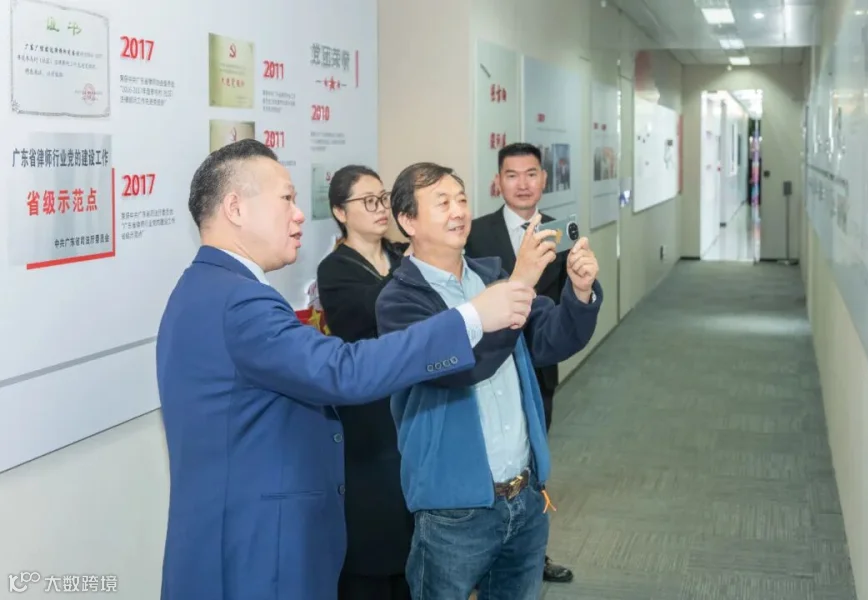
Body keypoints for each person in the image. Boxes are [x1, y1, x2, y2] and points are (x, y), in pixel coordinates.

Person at [155, 140, 538, 600]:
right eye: (286, 199)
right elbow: (343, 371)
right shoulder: (239, 301)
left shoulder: (202, 286)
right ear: (235, 208)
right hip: (256, 548)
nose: (299, 214)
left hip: (237, 535)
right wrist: (470, 318)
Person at [374, 162, 603, 599]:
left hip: (525, 495)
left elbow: (550, 340)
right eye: (442, 202)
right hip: (453, 510)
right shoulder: (399, 301)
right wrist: (521, 282)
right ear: (408, 221)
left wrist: (579, 293)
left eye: (461, 199)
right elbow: (464, 368)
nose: (459, 211)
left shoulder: (491, 276)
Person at [465, 142, 574, 583]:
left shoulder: (561, 233)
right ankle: (481, 557)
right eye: (512, 175)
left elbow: (563, 307)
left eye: (531, 174)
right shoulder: (474, 232)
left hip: (538, 368)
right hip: (485, 367)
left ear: (544, 179)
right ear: (498, 182)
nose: (523, 184)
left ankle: (532, 552)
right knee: (491, 459)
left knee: (534, 459)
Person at [316, 165, 413, 600]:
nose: (381, 208)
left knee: (413, 524)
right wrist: (416, 266)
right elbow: (375, 309)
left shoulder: (401, 255)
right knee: (374, 526)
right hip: (367, 412)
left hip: (411, 399)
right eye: (368, 201)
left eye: (384, 198)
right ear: (341, 212)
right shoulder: (334, 269)